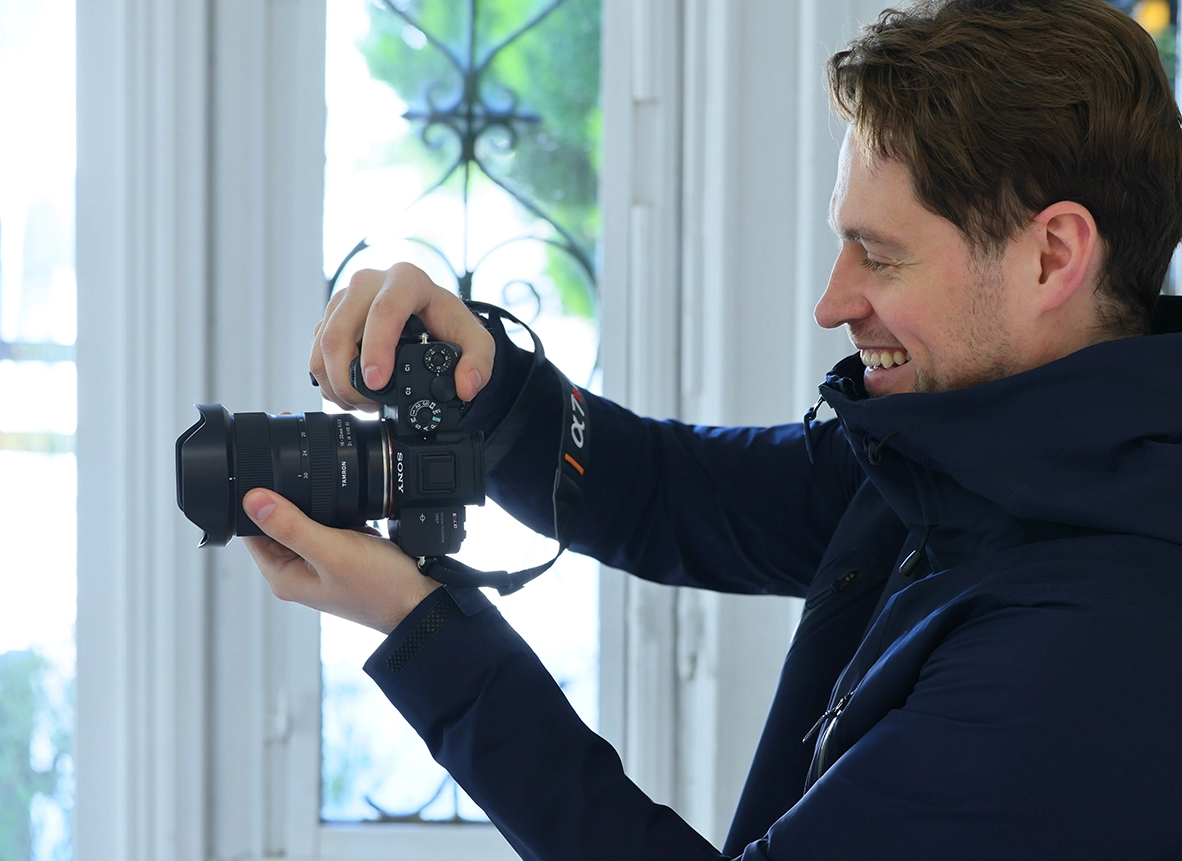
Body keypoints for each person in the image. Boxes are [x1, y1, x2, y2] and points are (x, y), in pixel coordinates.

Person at [241, 0, 1182, 858]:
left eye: (882, 258)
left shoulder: (1085, 650)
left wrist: (421, 628)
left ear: (1052, 254)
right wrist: (480, 375)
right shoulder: (959, 448)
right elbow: (667, 493)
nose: (831, 302)